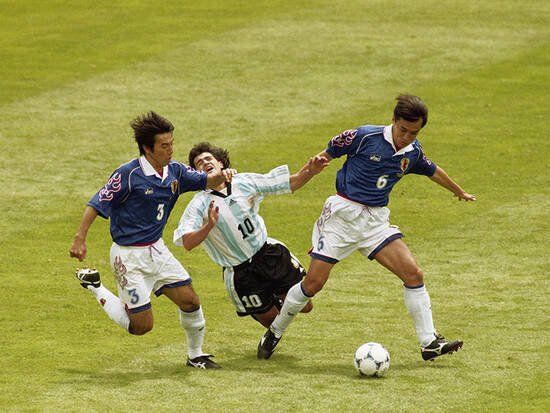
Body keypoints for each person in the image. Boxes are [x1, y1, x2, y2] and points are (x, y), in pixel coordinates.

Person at [257, 94, 476, 361]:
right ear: (393, 120)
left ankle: (429, 342)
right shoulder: (363, 136)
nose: (406, 137)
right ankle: (276, 330)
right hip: (342, 218)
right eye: (403, 129)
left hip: (375, 222)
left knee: (413, 274)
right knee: (313, 284)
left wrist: (458, 191)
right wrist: (312, 168)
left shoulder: (413, 152)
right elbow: (327, 153)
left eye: (414, 132)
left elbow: (433, 171)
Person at [69, 111, 235, 369]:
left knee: (190, 301)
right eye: (164, 146)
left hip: (157, 250)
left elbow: (209, 180)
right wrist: (80, 238)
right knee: (142, 326)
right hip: (128, 257)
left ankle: (196, 356)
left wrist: (226, 174)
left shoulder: (176, 171)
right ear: (147, 148)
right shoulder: (128, 174)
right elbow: (97, 203)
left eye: (172, 144)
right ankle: (95, 286)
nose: (171, 150)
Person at [172, 142, 329, 331]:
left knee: (305, 306)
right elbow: (187, 242)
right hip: (241, 273)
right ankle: (272, 302)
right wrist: (209, 226)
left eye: (208, 159)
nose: (205, 163)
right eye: (199, 163)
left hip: (269, 254)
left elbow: (289, 183)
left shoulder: (243, 182)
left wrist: (310, 171)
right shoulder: (199, 204)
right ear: (197, 174)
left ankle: (276, 296)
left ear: (220, 163)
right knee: (273, 323)